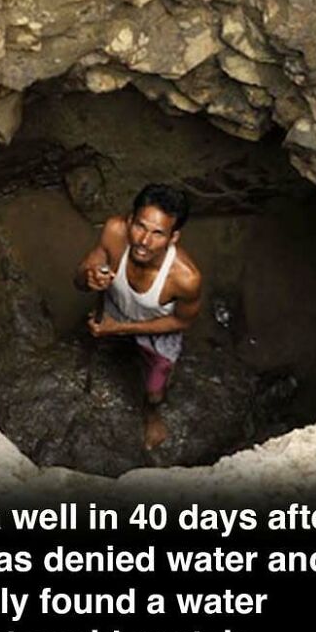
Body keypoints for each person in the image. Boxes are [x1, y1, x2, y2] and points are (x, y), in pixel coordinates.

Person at [74, 183, 202, 450]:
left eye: (158, 234)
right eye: (140, 226)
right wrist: (90, 278)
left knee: (155, 390)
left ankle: (151, 414)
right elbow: (79, 279)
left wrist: (119, 329)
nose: (144, 241)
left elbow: (182, 321)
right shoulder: (114, 232)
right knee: (95, 338)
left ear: (173, 237)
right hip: (116, 307)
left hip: (156, 327)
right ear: (129, 220)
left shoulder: (185, 278)